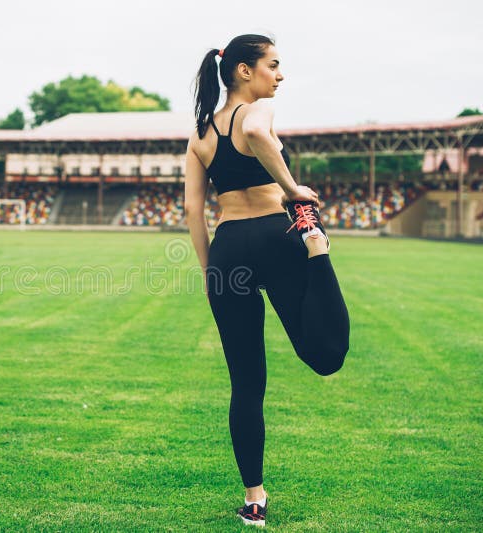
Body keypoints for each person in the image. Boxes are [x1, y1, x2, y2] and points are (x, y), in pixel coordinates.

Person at [183, 34, 351, 527]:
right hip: (277, 240)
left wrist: (209, 268)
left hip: (229, 249)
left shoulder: (199, 133)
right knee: (325, 356)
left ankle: (254, 498)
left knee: (246, 385)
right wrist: (293, 188)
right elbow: (256, 134)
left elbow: (194, 209)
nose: (279, 75)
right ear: (243, 71)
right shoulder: (255, 112)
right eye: (273, 65)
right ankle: (318, 249)